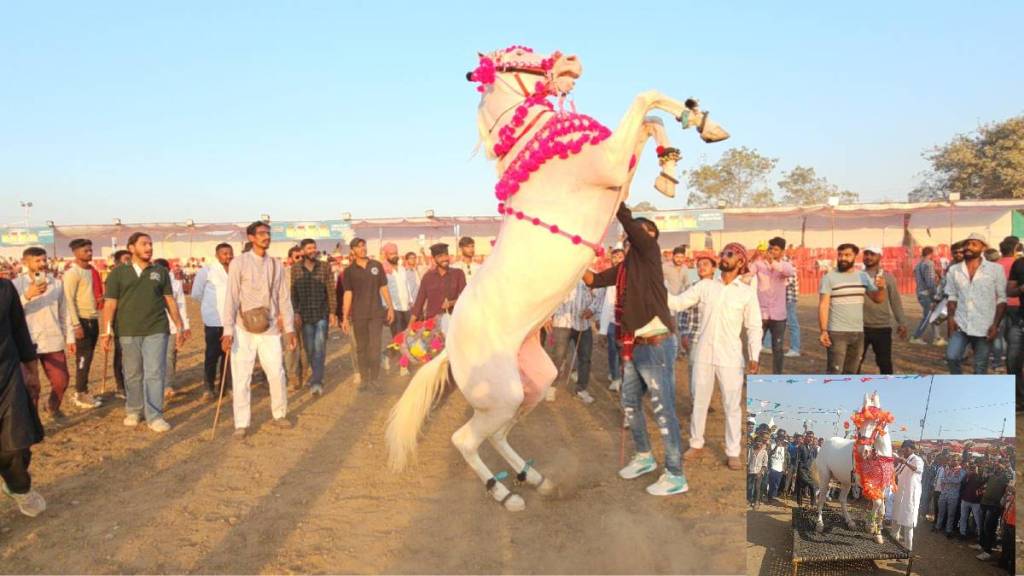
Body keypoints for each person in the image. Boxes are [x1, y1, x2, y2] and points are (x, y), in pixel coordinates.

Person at [583, 203, 687, 496]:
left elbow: (632, 228)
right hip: (635, 346)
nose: (635, 237)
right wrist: (575, 260)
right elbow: (593, 279)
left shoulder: (650, 254)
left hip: (656, 345)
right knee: (629, 402)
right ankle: (644, 456)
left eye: (641, 233)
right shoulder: (624, 269)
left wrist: (617, 203)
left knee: (663, 410)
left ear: (648, 236)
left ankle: (676, 474)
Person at [669, 242, 761, 470]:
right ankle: (696, 443)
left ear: (740, 262)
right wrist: (654, 286)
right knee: (699, 401)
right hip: (702, 353)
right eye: (723, 253)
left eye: (729, 254)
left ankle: (733, 451)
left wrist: (754, 354)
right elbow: (677, 303)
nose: (724, 257)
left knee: (732, 405)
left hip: (730, 356)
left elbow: (754, 326)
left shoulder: (747, 293)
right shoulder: (706, 286)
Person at [100, 233, 186, 433]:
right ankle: (134, 409)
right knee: (132, 373)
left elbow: (169, 301)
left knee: (154, 372)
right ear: (131, 248)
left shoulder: (160, 272)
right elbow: (110, 304)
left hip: (156, 329)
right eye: (144, 244)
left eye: (150, 244)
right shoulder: (118, 273)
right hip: (127, 331)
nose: (149, 247)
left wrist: (179, 326)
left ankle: (155, 415)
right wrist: (106, 332)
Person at [221, 221, 297, 438]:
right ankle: (241, 423)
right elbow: (231, 298)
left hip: (270, 328)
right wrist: (228, 331)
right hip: (242, 329)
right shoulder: (239, 263)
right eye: (262, 233)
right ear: (251, 237)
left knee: (276, 373)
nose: (266, 237)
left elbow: (284, 298)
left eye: (268, 233)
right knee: (242, 377)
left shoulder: (276, 265)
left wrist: (289, 328)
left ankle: (279, 414)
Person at [0, 278, 47, 517]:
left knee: (17, 443)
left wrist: (32, 373)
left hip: (7, 379)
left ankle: (18, 487)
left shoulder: (5, 289)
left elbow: (20, 332)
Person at [12, 247, 74, 419]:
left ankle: (52, 406)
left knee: (61, 381)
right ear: (26, 262)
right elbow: (11, 312)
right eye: (37, 260)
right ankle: (33, 419)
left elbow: (64, 313)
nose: (42, 264)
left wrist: (70, 337)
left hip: (52, 339)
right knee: (31, 385)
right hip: (26, 340)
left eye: (44, 260)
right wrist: (27, 296)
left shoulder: (57, 284)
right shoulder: (15, 285)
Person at [818, 243, 886, 374]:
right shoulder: (829, 278)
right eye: (840, 255)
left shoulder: (862, 276)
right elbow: (823, 305)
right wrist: (823, 331)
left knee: (852, 373)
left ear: (855, 256)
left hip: (858, 333)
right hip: (837, 333)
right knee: (834, 372)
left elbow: (878, 299)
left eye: (847, 255)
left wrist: (882, 288)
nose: (843, 258)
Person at [945, 233, 1007, 374]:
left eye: (974, 244)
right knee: (952, 357)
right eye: (967, 244)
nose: (969, 247)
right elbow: (952, 296)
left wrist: (995, 325)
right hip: (961, 323)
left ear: (983, 247)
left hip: (984, 326)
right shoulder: (954, 270)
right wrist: (950, 319)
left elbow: (1002, 299)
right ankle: (960, 387)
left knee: (980, 366)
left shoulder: (995, 270)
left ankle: (976, 394)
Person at [341, 238, 394, 390]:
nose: (362, 249)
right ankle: (364, 379)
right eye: (359, 247)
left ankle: (375, 378)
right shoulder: (349, 271)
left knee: (375, 347)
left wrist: (390, 307)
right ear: (353, 250)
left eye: (364, 245)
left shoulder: (376, 266)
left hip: (376, 313)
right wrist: (345, 317)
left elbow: (383, 287)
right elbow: (348, 294)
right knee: (362, 348)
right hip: (358, 315)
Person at [291, 238, 336, 396]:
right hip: (304, 315)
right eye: (309, 248)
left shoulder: (324, 267)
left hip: (321, 313)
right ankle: (317, 374)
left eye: (314, 248)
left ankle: (316, 381)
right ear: (302, 251)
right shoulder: (295, 268)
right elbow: (293, 293)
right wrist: (295, 312)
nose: (312, 250)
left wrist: (332, 312)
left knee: (319, 347)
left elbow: (331, 290)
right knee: (309, 349)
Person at [62, 238, 104, 409]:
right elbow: (68, 300)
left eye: (90, 250)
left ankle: (83, 390)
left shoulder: (91, 271)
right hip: (82, 321)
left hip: (93, 319)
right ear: (76, 253)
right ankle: (81, 393)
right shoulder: (73, 273)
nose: (89, 253)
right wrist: (75, 324)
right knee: (83, 358)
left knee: (89, 357)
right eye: (85, 250)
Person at [190, 243, 233, 400]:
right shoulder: (207, 271)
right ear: (217, 255)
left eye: (230, 253)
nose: (228, 256)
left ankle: (226, 386)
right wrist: (209, 306)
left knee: (229, 355)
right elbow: (196, 294)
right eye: (224, 253)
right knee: (212, 355)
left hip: (232, 320)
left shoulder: (235, 271)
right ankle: (208, 387)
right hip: (213, 320)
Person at [551, 280, 602, 405]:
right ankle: (552, 386)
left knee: (585, 358)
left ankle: (581, 389)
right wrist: (549, 316)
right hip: (562, 322)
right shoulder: (563, 275)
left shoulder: (589, 278)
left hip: (583, 324)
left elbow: (599, 296)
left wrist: (591, 309)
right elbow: (551, 297)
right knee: (558, 357)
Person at [750, 236, 795, 373]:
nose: (773, 252)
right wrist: (755, 256)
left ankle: (777, 376)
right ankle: (753, 373)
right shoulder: (759, 264)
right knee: (755, 346)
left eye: (776, 250)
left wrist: (773, 263)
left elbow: (789, 272)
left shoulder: (785, 265)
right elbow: (748, 272)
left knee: (778, 348)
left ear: (782, 252)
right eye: (771, 249)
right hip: (761, 314)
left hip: (778, 315)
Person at [860, 246, 907, 374]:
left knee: (884, 363)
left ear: (880, 257)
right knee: (855, 364)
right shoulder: (857, 276)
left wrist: (902, 322)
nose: (868, 257)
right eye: (866, 254)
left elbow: (895, 301)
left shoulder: (888, 278)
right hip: (859, 327)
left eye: (872, 254)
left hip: (882, 327)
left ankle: (889, 390)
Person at [153, 259, 190, 399]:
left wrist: (185, 326)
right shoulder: (149, 283)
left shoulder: (175, 283)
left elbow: (181, 304)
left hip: (173, 326)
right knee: (155, 356)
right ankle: (155, 383)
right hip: (154, 326)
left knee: (170, 355)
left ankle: (168, 385)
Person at [409, 243, 465, 332]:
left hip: (453, 323)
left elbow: (465, 297)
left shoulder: (458, 274)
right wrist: (410, 325)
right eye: (440, 256)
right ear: (434, 259)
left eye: (446, 255)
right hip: (432, 325)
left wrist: (452, 303)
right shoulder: (427, 277)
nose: (445, 259)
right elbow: (419, 302)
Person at [383, 244, 417, 376]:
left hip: (406, 307)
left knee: (406, 337)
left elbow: (407, 287)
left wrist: (411, 302)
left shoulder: (402, 269)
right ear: (386, 255)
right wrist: (387, 308)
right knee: (399, 339)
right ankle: (403, 366)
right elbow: (382, 291)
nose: (394, 255)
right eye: (391, 253)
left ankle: (386, 354)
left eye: (395, 252)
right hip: (394, 309)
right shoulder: (384, 271)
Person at [597, 247, 625, 392]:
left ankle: (623, 378)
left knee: (626, 353)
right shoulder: (609, 278)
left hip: (627, 323)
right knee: (613, 351)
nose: (618, 259)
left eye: (620, 256)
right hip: (612, 322)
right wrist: (602, 327)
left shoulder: (630, 275)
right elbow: (604, 302)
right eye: (615, 257)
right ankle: (615, 377)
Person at [891, 440, 923, 551]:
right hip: (900, 493)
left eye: (907, 448)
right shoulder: (902, 460)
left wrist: (905, 462)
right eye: (903, 448)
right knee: (896, 518)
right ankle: (892, 544)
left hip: (910, 496)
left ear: (912, 449)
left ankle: (907, 549)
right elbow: (894, 472)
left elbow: (917, 470)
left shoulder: (917, 459)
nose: (904, 450)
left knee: (908, 523)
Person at [977, 460, 1011, 560]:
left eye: (1000, 464)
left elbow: (1008, 490)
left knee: (989, 527)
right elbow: (981, 482)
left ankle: (988, 551)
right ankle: (981, 545)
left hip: (995, 506)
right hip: (985, 502)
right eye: (996, 464)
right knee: (982, 525)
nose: (997, 466)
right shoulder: (991, 474)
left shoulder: (1007, 477)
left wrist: (1003, 500)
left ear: (1004, 466)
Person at [283, 246, 305, 389]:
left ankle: (305, 376)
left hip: (307, 316)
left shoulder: (310, 273)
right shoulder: (283, 274)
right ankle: (292, 377)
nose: (300, 260)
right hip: (288, 316)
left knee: (306, 348)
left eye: (302, 257)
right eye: (297, 257)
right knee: (291, 347)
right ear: (290, 259)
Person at [662, 245, 690, 356]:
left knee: (680, 325)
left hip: (681, 300)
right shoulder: (665, 267)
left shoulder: (685, 268)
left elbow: (686, 283)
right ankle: (674, 349)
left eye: (681, 257)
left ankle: (680, 349)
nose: (679, 259)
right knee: (672, 325)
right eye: (677, 256)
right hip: (668, 301)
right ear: (673, 256)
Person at [911, 246, 940, 344]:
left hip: (920, 292)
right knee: (928, 316)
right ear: (931, 253)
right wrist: (936, 295)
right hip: (927, 293)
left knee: (933, 315)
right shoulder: (929, 264)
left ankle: (937, 338)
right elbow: (930, 282)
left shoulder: (919, 264)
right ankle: (916, 337)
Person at [1007, 251, 1024, 407]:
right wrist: (1021, 289)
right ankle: (1019, 400)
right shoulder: (1019, 264)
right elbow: (1009, 291)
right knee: (1013, 362)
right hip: (1020, 320)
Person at [934, 454, 964, 537]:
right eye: (953, 460)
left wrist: (947, 479)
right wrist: (949, 480)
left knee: (951, 514)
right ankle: (938, 526)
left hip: (953, 495)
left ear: (959, 461)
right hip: (944, 493)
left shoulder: (962, 471)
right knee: (941, 512)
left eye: (955, 460)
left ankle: (948, 530)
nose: (953, 461)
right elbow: (942, 479)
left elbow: (957, 481)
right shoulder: (947, 469)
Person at [959, 461, 985, 540]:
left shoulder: (981, 477)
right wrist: (967, 476)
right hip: (965, 500)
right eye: (971, 468)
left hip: (976, 502)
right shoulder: (966, 476)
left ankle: (980, 536)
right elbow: (962, 484)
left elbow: (983, 487)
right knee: (963, 517)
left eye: (974, 468)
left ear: (977, 469)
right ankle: (962, 534)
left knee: (978, 519)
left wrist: (979, 495)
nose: (972, 469)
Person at [795, 431, 817, 507]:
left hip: (810, 471)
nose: (810, 438)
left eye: (812, 437)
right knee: (800, 488)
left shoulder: (813, 448)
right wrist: (795, 472)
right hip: (802, 470)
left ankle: (813, 504)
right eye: (809, 436)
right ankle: (799, 504)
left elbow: (814, 460)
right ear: (806, 437)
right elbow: (797, 459)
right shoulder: (801, 447)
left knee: (813, 486)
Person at [767, 430, 788, 501]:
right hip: (773, 466)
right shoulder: (772, 443)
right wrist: (776, 446)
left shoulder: (785, 446)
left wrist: (785, 467)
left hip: (780, 468)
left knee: (777, 484)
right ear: (777, 436)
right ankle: (770, 497)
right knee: (772, 483)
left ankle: (773, 496)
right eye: (780, 436)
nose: (781, 438)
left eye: (783, 436)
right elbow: (769, 454)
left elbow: (784, 458)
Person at [747, 439, 767, 507]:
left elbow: (765, 464)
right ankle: (749, 500)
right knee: (749, 487)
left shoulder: (764, 452)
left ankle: (757, 501)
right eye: (757, 442)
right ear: (755, 443)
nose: (759, 444)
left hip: (759, 472)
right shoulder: (751, 450)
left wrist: (760, 472)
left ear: (762, 444)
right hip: (751, 471)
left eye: (760, 443)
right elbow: (748, 461)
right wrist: (747, 470)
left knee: (757, 487)